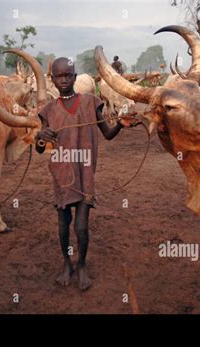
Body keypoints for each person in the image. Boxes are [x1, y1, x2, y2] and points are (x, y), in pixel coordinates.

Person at [35, 57, 139, 290]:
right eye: (59, 76)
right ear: (52, 79)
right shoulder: (48, 111)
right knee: (63, 225)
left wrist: (121, 124)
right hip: (62, 176)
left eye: (68, 75)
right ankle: (66, 264)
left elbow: (108, 133)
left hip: (85, 175)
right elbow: (40, 149)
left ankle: (81, 265)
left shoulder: (91, 102)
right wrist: (40, 138)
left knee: (81, 226)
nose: (64, 80)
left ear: (75, 76)